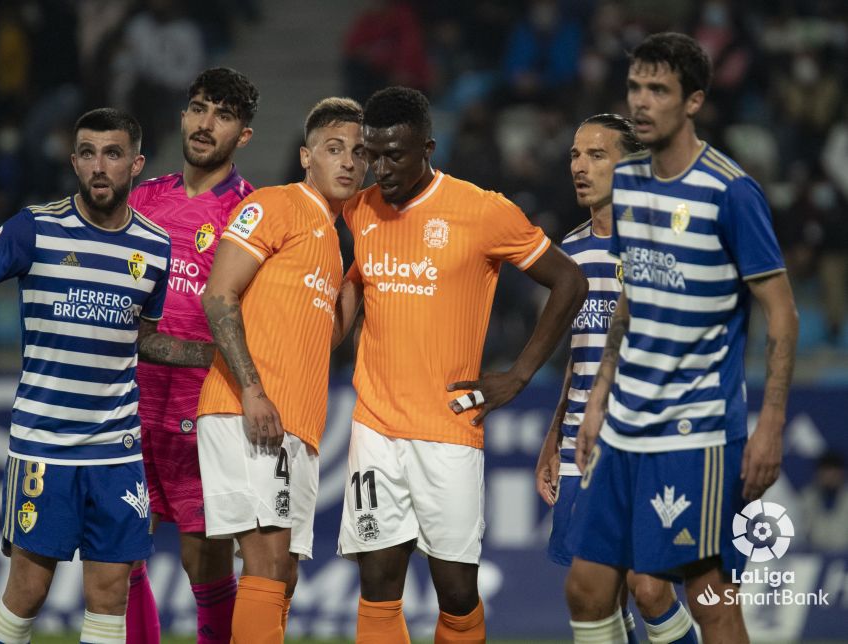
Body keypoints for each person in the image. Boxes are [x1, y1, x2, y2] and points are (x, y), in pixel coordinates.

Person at [564, 32, 799, 643]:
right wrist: (596, 401)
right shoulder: (632, 182)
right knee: (587, 587)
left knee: (707, 593)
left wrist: (771, 423)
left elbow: (782, 312)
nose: (642, 101)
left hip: (696, 430)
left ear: (693, 101)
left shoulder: (731, 192)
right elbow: (629, 302)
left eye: (659, 90)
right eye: (636, 87)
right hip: (623, 425)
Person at [334, 86, 587, 644]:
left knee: (454, 592)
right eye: (372, 154)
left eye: (395, 155)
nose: (381, 168)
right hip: (374, 426)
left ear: (428, 146)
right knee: (376, 584)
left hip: (449, 429)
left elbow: (569, 280)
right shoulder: (360, 211)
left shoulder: (481, 210)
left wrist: (520, 374)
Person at [0, 108, 172, 644]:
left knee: (109, 595)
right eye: (88, 153)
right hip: (44, 444)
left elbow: (140, 337)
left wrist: (210, 357)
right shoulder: (36, 227)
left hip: (116, 450)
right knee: (28, 590)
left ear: (135, 164)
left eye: (113, 153)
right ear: (73, 161)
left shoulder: (155, 245)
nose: (99, 166)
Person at [197, 97, 367, 643]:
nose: (347, 162)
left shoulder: (335, 243)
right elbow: (218, 296)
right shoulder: (274, 205)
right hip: (247, 409)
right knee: (267, 562)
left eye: (359, 153)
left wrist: (360, 274)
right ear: (305, 157)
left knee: (284, 572)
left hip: (297, 422)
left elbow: (327, 337)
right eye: (333, 149)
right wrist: (251, 391)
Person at [536, 113, 699, 644]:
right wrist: (553, 435)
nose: (579, 167)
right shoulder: (571, 253)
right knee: (597, 596)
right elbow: (577, 358)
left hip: (650, 441)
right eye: (575, 156)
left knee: (649, 587)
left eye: (596, 155)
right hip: (580, 445)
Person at [124, 67, 258, 644]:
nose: (206, 124)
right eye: (199, 108)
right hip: (129, 402)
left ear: (244, 135)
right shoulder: (142, 200)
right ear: (182, 115)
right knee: (120, 556)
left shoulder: (253, 212)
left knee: (203, 561)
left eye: (223, 115)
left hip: (203, 409)